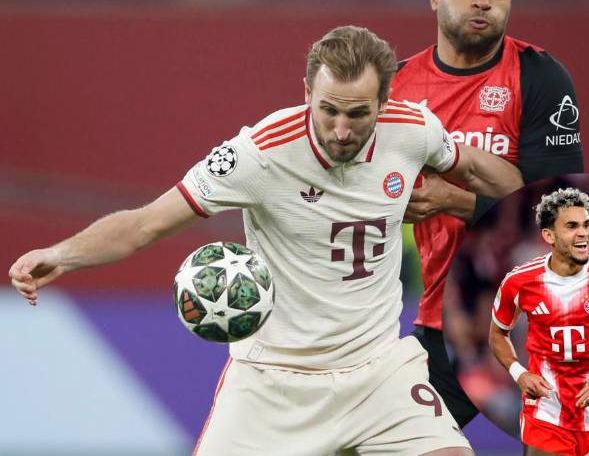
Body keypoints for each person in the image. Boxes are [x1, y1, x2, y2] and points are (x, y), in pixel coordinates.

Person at [8, 26, 524, 456]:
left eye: (359, 114)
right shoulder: (259, 153)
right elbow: (145, 223)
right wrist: (61, 254)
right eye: (328, 110)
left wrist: (547, 204)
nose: (341, 130)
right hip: (272, 384)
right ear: (306, 93)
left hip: (379, 373)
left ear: (385, 102)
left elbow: (480, 169)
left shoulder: (412, 130)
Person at [391, 0, 584, 427]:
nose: (484, 1)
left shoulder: (539, 77)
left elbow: (560, 212)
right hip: (448, 319)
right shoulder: (397, 87)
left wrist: (453, 200)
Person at [489, 188, 589, 456]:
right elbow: (497, 334)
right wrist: (520, 374)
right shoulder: (519, 281)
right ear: (549, 235)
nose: (583, 234)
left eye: (586, 225)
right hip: (545, 407)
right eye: (572, 226)